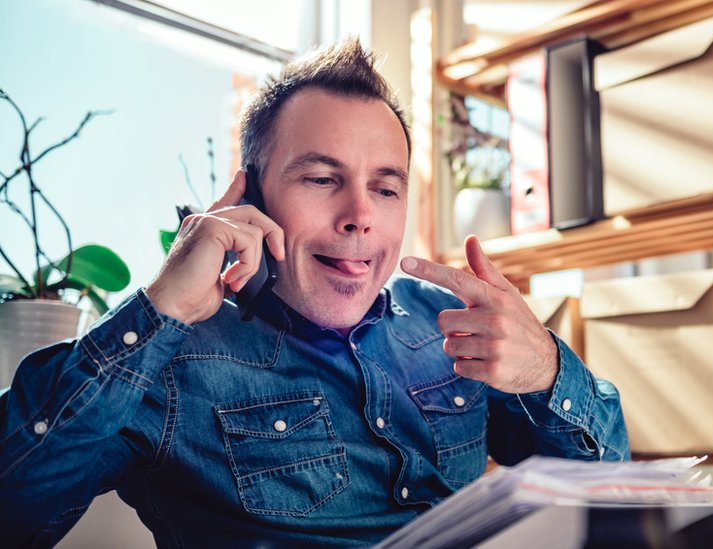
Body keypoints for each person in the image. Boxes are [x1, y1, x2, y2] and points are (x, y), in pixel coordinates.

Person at [0, 39, 628, 547]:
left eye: (385, 189)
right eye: (323, 178)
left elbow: (615, 495)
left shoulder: (450, 324)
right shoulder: (166, 365)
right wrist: (164, 306)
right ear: (249, 198)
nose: (360, 215)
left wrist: (547, 368)